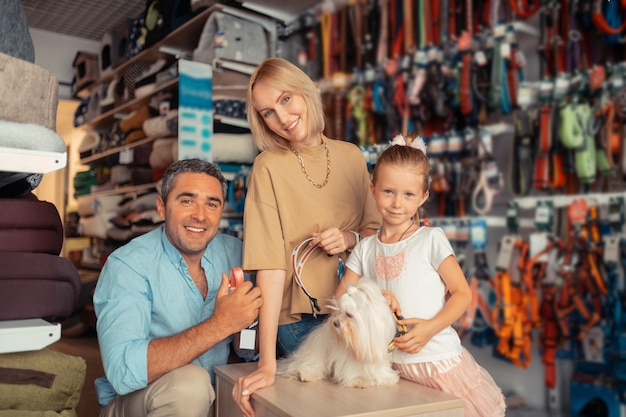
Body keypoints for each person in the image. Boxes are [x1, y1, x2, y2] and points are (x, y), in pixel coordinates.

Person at [232, 57, 381, 417]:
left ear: (307, 91)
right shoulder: (268, 166)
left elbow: (378, 239)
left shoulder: (351, 156)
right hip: (301, 323)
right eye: (267, 112)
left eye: (285, 99)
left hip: (360, 312)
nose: (281, 118)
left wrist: (348, 239)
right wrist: (267, 362)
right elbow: (269, 267)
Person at [336, 134, 506, 417]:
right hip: (391, 368)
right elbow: (341, 297)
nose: (396, 203)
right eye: (388, 191)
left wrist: (429, 328)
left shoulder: (430, 239)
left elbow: (462, 294)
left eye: (408, 195)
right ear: (372, 188)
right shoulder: (366, 248)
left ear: (423, 197)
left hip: (439, 364)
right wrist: (373, 296)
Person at [93, 158, 263, 417]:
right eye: (187, 201)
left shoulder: (237, 254)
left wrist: (244, 335)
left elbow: (248, 349)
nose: (200, 215)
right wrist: (221, 325)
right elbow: (123, 370)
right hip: (140, 401)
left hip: (211, 397)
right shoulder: (127, 265)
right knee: (189, 386)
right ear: (162, 208)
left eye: (212, 204)